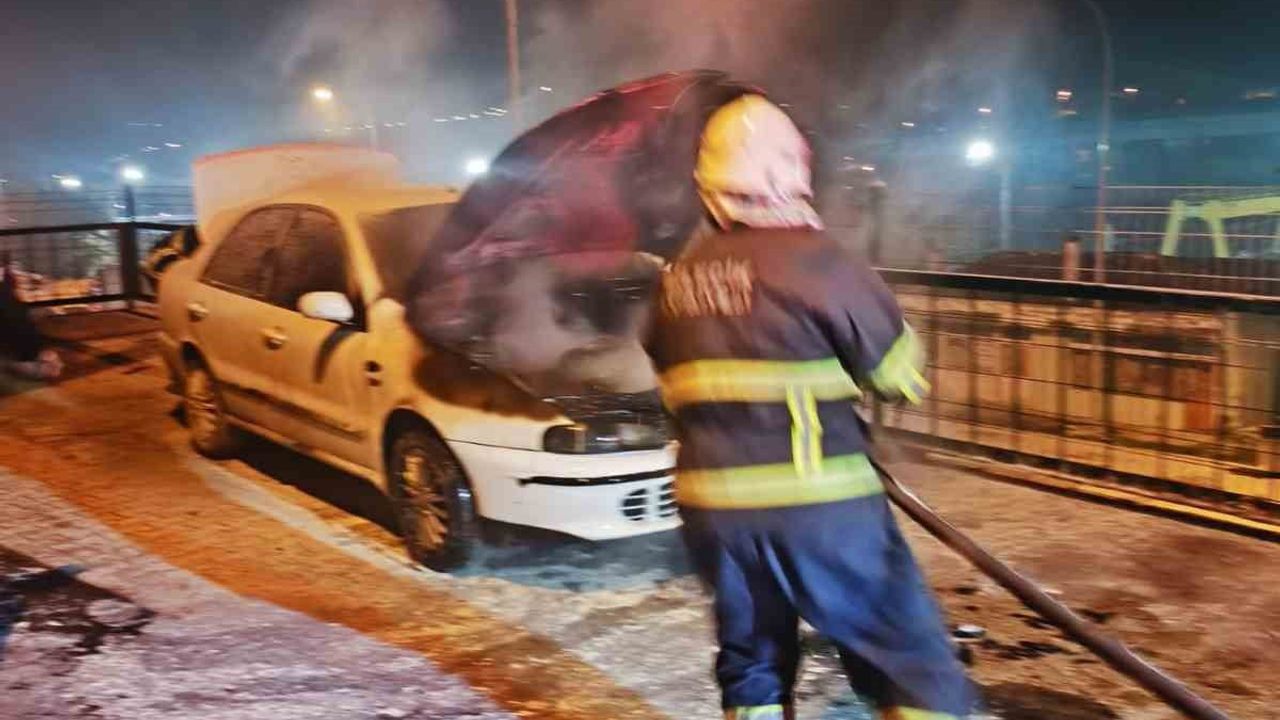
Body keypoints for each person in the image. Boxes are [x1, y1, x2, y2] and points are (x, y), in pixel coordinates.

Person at [645, 95, 976, 720]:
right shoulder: (820, 261)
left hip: (714, 513)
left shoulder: (675, 280)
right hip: (819, 508)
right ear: (795, 173)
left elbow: (671, 384)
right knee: (906, 655)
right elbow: (898, 376)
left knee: (754, 659)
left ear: (711, 188)